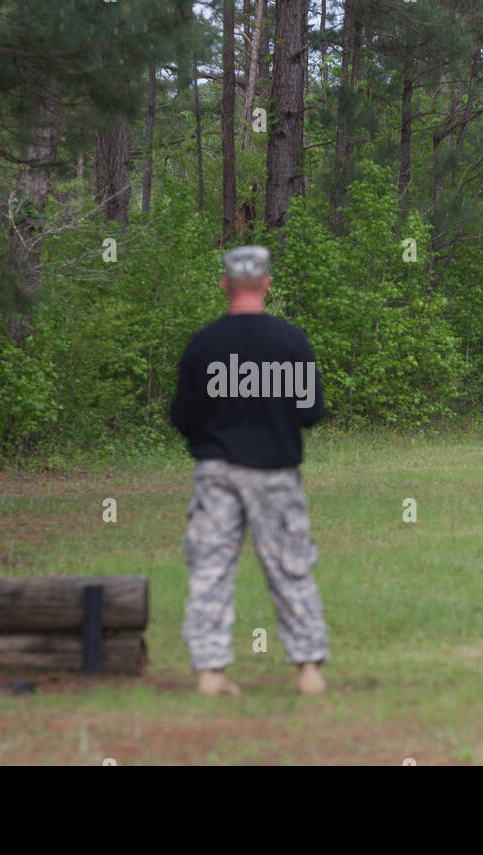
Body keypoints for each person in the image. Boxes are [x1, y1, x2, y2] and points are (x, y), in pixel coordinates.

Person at [170, 246, 329, 697]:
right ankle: (308, 669)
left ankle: (210, 671)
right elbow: (311, 411)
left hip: (217, 470)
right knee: (289, 566)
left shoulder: (204, 345)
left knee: (211, 567)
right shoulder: (290, 342)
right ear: (266, 284)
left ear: (225, 285)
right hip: (275, 471)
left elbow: (182, 417)